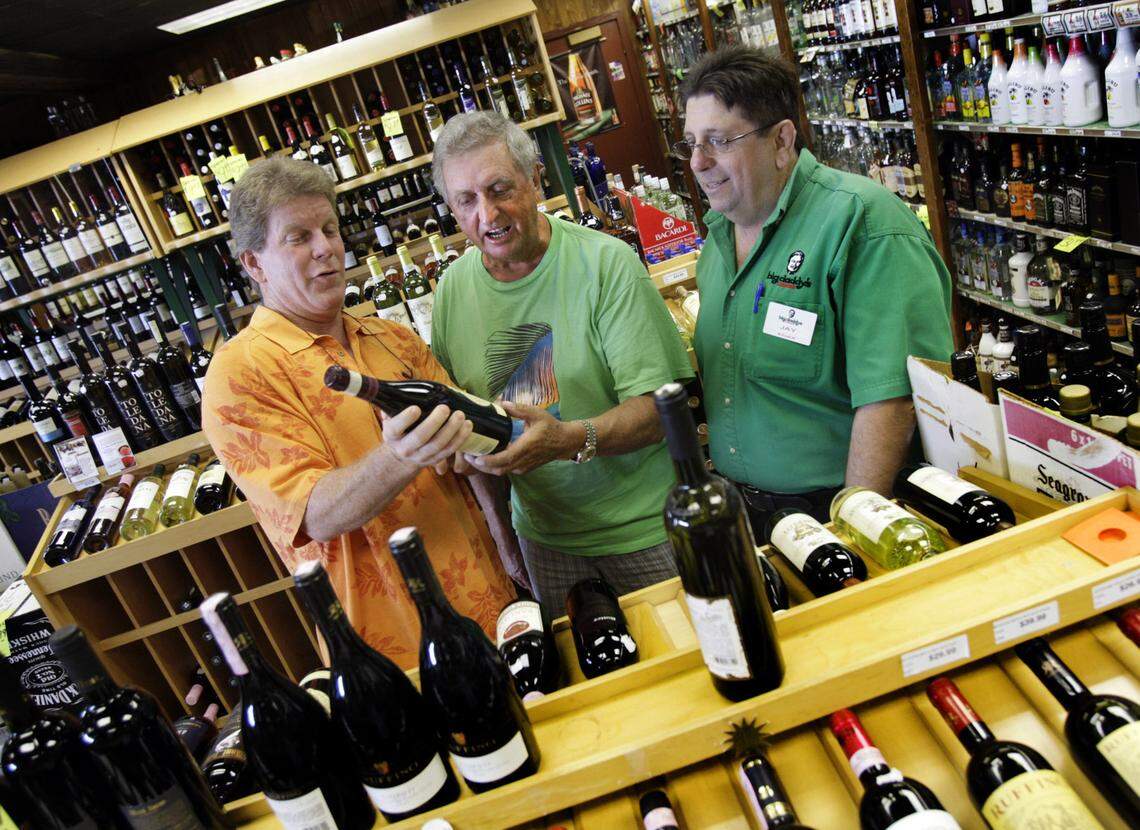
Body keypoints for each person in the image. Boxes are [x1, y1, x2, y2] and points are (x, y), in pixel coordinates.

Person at [200, 156, 515, 667]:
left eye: (329, 229)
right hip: (388, 647)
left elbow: (467, 449)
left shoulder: (391, 338)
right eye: (298, 237)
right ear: (253, 264)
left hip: (489, 609)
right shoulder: (239, 376)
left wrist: (507, 542)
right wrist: (402, 454)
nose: (326, 247)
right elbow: (315, 514)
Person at [679, 46, 953, 541]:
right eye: (691, 142)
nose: (699, 162)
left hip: (836, 513)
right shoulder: (716, 240)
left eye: (719, 140)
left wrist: (854, 529)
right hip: (747, 516)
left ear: (782, 140)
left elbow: (892, 400)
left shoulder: (863, 223)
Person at [429, 111, 695, 614]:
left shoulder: (606, 264)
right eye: (466, 200)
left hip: (647, 531)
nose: (488, 215)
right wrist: (505, 538)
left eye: (500, 188)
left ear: (534, 179)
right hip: (546, 546)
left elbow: (661, 409)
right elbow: (467, 428)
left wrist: (567, 440)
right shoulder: (451, 295)